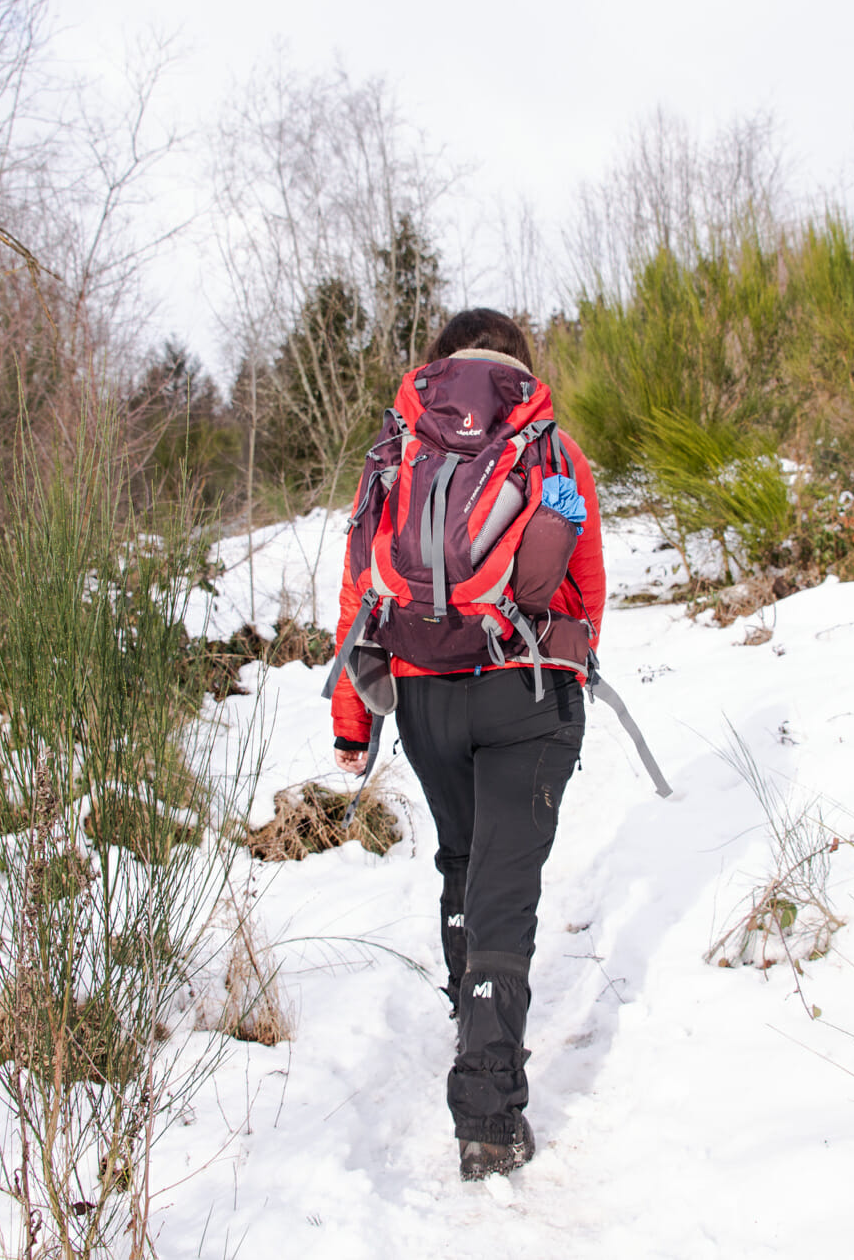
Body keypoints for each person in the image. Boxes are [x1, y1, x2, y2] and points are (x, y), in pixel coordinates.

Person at [328, 308, 605, 1182]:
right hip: (522, 688)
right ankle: (487, 1118)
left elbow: (358, 590)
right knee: (505, 891)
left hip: (422, 693)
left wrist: (353, 717)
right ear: (518, 368)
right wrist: (564, 666)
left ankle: (468, 1016)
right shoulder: (549, 447)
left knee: (462, 858)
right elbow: (585, 588)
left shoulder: (402, 444)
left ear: (440, 365)